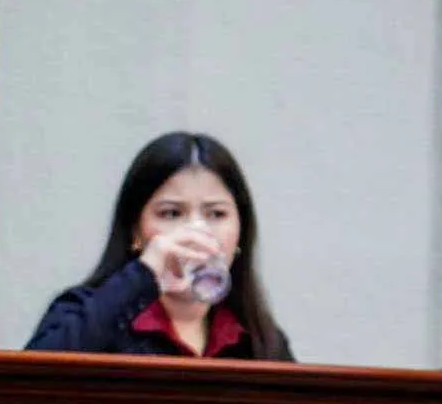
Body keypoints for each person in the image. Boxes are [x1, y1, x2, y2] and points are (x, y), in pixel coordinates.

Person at [26, 132, 294, 360]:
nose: (195, 232)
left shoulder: (259, 339)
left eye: (216, 214)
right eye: (172, 214)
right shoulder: (88, 313)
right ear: (135, 231)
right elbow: (28, 384)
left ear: (240, 232)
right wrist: (143, 277)